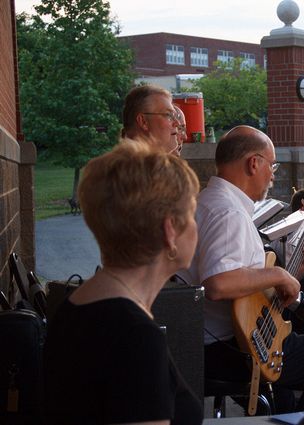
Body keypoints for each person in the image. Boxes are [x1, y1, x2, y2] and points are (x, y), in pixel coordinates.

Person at [178, 125, 304, 412]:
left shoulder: (210, 202)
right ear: (253, 163)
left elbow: (244, 282)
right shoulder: (228, 213)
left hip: (230, 339)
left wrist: (295, 273)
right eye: (271, 165)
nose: (273, 173)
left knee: (294, 385)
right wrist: (278, 273)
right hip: (233, 348)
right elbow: (217, 284)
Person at [44, 143, 202, 424]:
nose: (195, 226)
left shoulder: (75, 305)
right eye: (191, 214)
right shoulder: (137, 337)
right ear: (170, 231)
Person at [120, 84, 181, 155]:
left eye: (174, 115)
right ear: (143, 121)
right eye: (168, 115)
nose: (177, 123)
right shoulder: (124, 165)